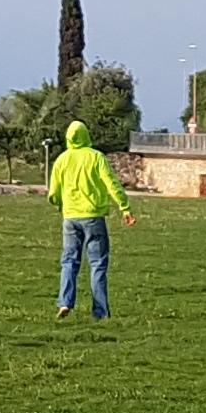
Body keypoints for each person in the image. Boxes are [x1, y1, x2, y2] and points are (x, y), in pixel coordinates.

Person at [46, 119, 133, 319]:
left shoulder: (62, 160)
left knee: (69, 261)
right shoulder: (96, 157)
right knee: (98, 264)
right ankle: (100, 312)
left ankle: (65, 301)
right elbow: (111, 183)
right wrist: (124, 207)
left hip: (70, 217)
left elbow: (53, 192)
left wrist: (61, 205)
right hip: (93, 217)